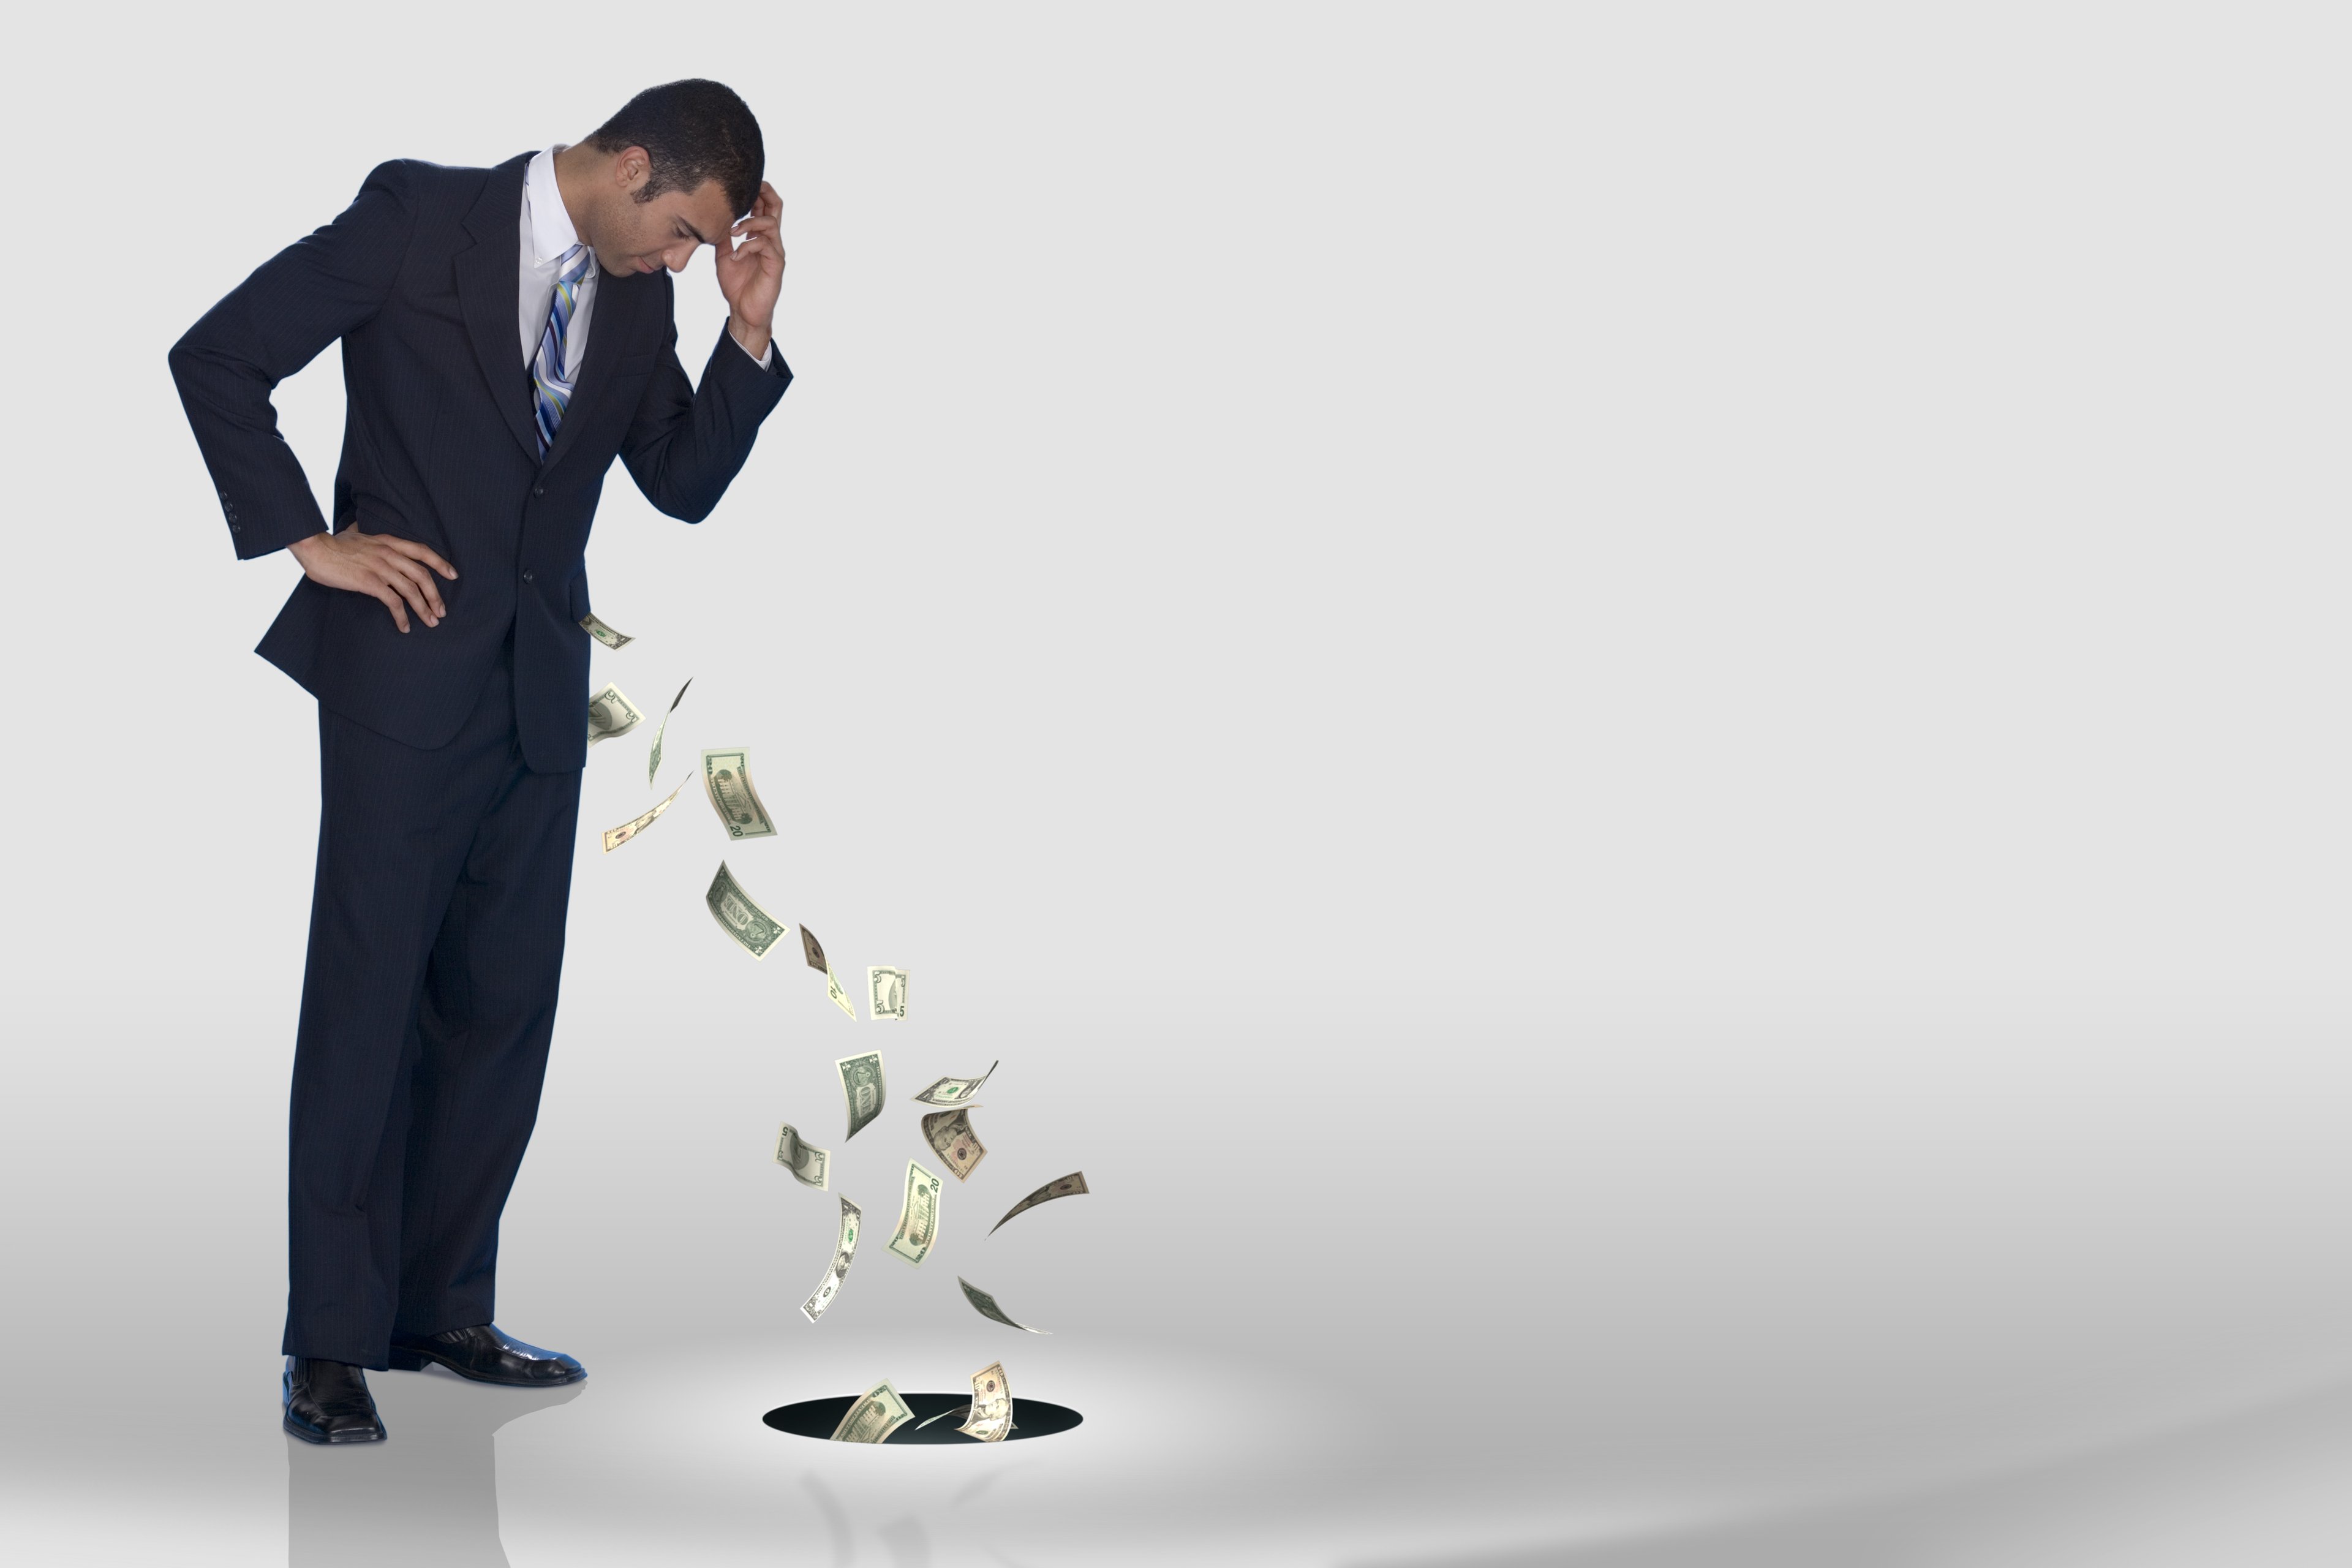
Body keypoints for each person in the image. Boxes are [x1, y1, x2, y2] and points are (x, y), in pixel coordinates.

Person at [168, 78, 793, 1444]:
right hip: (399, 684)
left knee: (499, 1015)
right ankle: (329, 1343)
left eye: (699, 252)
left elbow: (677, 483)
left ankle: (441, 1305)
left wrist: (747, 334)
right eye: (683, 233)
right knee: (367, 1006)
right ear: (631, 165)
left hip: (534, 696)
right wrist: (304, 537)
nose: (683, 262)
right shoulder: (416, 217)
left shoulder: (639, 297)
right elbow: (217, 356)